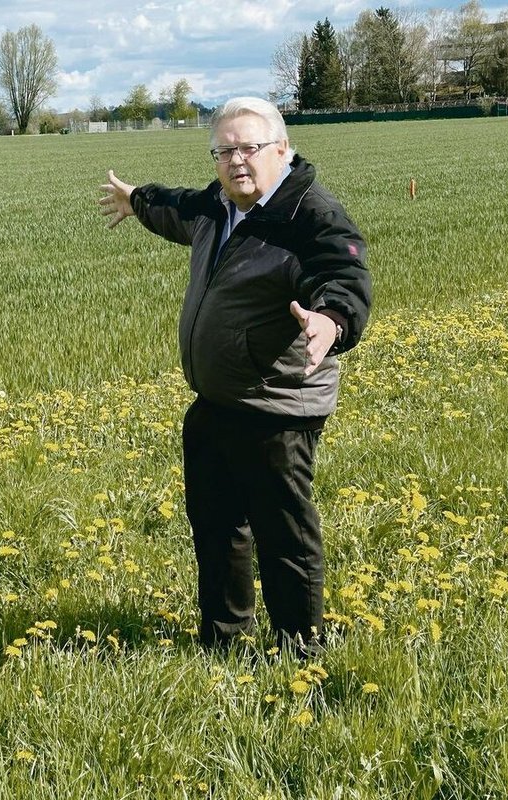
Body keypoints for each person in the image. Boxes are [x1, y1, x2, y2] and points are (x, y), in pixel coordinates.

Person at [98, 96, 372, 656]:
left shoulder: (310, 217)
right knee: (216, 526)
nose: (235, 161)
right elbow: (175, 208)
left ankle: (302, 651)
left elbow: (341, 273)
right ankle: (224, 640)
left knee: (283, 536)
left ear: (281, 149)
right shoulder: (220, 205)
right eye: (224, 151)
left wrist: (330, 320)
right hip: (217, 400)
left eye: (248, 148)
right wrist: (135, 200)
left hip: (277, 408)